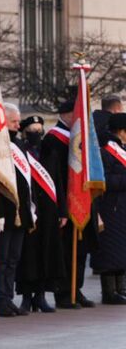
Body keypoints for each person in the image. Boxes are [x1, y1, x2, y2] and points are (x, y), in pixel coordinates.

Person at [45, 100, 97, 308]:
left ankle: (77, 288)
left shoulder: (80, 138)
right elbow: (52, 173)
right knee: (66, 250)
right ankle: (64, 292)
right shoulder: (53, 139)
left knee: (81, 249)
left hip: (81, 199)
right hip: (66, 200)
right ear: (67, 115)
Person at [15, 115, 63, 312]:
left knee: (46, 252)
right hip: (29, 209)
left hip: (49, 211)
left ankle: (41, 295)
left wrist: (63, 211)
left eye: (39, 130)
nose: (37, 134)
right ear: (24, 132)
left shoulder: (50, 151)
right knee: (28, 254)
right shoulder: (19, 151)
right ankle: (26, 296)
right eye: (32, 131)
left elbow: (58, 182)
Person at [0, 103, 34, 316]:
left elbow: (26, 181)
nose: (18, 125)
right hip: (5, 212)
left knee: (13, 259)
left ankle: (8, 298)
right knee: (1, 259)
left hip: (20, 212)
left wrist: (30, 208)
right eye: (14, 121)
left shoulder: (18, 144)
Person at [91, 113, 126, 304]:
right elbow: (103, 180)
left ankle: (121, 288)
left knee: (122, 252)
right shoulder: (105, 151)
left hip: (121, 208)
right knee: (111, 252)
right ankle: (109, 292)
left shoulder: (121, 149)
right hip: (110, 208)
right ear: (120, 131)